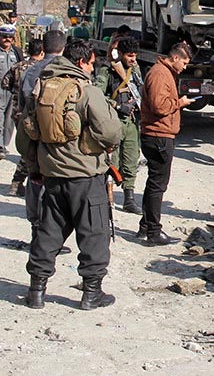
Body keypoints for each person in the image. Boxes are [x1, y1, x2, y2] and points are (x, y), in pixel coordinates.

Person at [22, 39, 122, 310]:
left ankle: (36, 291)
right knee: (94, 232)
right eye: (91, 63)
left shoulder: (41, 88)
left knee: (49, 231)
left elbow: (25, 138)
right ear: (81, 62)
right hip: (85, 178)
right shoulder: (86, 92)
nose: (92, 68)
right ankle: (92, 293)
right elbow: (112, 132)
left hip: (52, 175)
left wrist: (35, 169)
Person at [138, 42, 195, 245]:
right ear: (175, 58)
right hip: (158, 136)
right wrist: (180, 102)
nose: (185, 67)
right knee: (157, 185)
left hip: (158, 135)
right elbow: (159, 106)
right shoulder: (160, 74)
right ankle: (153, 231)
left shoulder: (162, 72)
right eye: (185, 63)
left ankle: (145, 226)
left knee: (154, 183)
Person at [17, 30, 65, 238]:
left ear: (43, 47)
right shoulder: (65, 72)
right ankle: (50, 234)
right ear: (63, 48)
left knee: (34, 178)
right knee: (54, 184)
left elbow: (22, 103)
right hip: (57, 138)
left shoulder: (31, 71)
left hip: (33, 134)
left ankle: (36, 228)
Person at [94, 36, 143, 214]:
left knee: (130, 160)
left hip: (130, 123)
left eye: (135, 55)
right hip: (112, 122)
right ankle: (106, 198)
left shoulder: (135, 71)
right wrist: (118, 105)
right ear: (120, 54)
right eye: (130, 55)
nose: (133, 59)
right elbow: (97, 96)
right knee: (110, 162)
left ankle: (129, 198)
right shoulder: (107, 71)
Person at [2, 38, 44, 195]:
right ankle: (18, 182)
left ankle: (19, 183)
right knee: (31, 150)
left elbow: (5, 83)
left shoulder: (18, 66)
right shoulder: (42, 68)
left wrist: (15, 90)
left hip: (17, 111)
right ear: (41, 52)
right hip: (32, 114)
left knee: (27, 148)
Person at [0, 24, 23, 158]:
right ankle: (0, 145)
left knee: (9, 119)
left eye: (10, 37)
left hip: (12, 91)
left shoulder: (16, 52)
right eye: (4, 36)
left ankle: (4, 143)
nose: (7, 39)